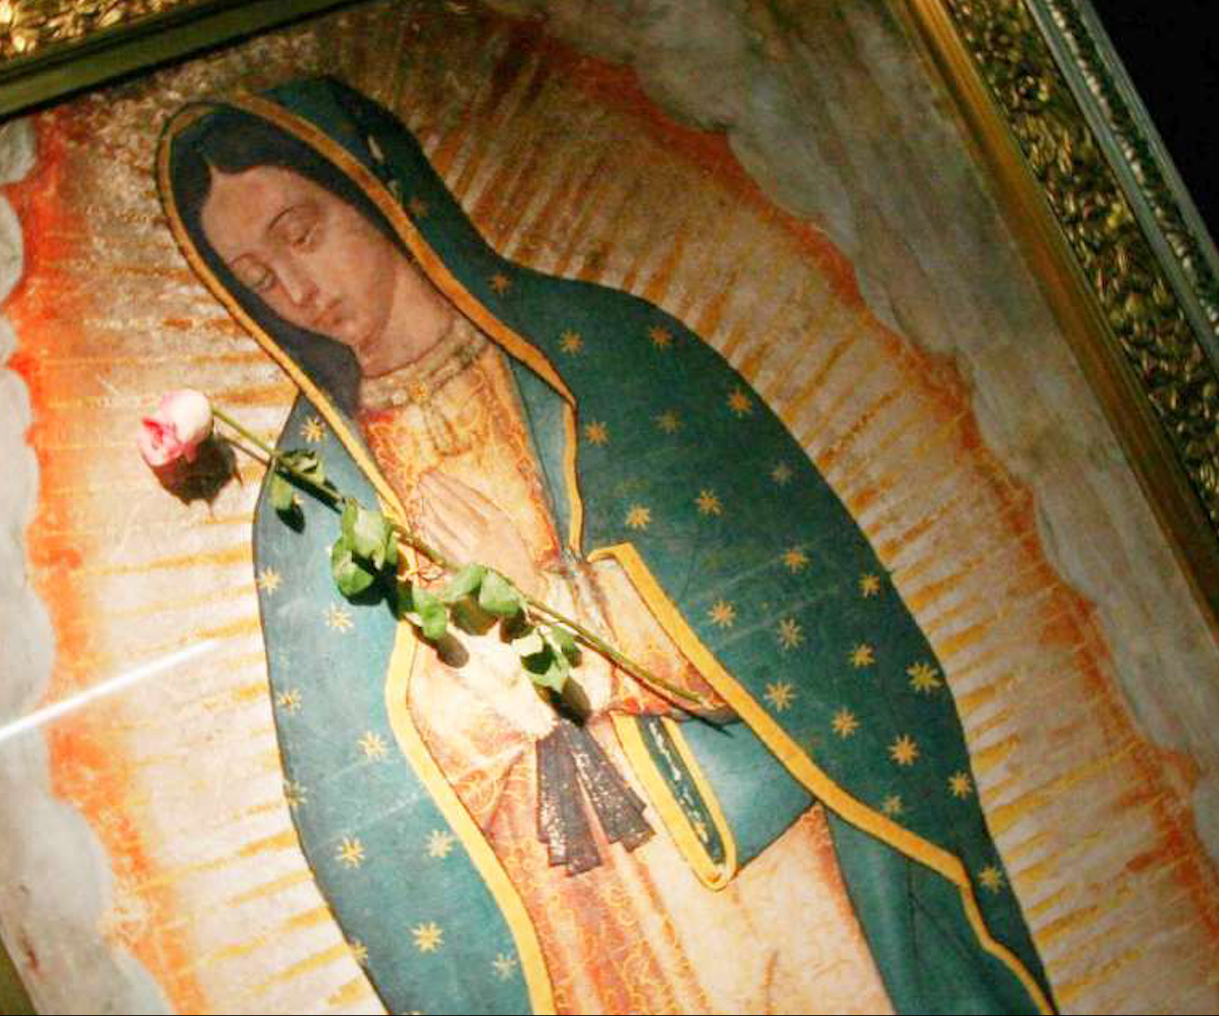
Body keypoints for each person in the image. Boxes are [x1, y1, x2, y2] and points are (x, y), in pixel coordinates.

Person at [157, 76, 1054, 1015]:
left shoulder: (605, 353)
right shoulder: (312, 500)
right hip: (578, 939)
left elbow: (793, 606)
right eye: (259, 279)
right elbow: (359, 789)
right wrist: (480, 679)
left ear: (376, 192)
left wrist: (553, 604)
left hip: (764, 871)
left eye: (302, 234)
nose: (298, 292)